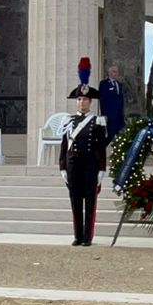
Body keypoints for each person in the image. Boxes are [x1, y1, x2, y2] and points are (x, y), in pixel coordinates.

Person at [58, 86, 109, 247]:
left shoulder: (98, 121)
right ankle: (77, 235)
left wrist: (102, 168)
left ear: (90, 102)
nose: (82, 102)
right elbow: (64, 145)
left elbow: (101, 147)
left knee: (90, 200)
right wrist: (62, 167)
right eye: (79, 99)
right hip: (73, 163)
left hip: (90, 164)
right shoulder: (68, 121)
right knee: (75, 200)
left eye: (85, 99)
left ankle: (88, 236)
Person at [99, 64, 129, 137]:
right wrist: (104, 114)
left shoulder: (119, 84)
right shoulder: (104, 83)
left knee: (121, 136)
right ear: (109, 72)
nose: (116, 73)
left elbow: (121, 99)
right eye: (114, 71)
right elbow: (102, 100)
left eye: (117, 72)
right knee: (110, 136)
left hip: (119, 116)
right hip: (109, 116)